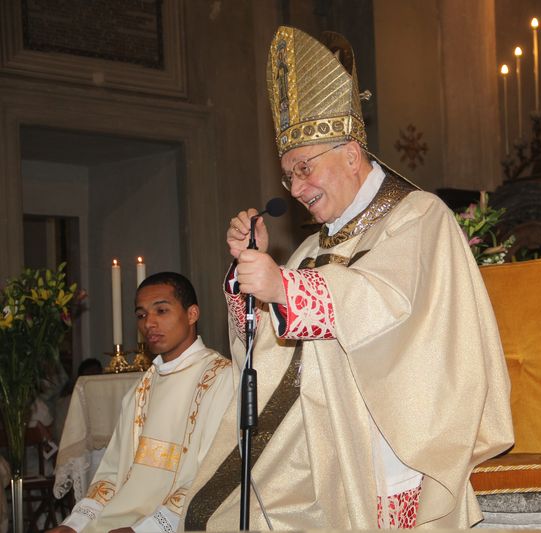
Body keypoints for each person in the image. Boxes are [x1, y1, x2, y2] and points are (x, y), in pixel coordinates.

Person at [182, 26, 513, 530]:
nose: (296, 188)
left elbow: (387, 302)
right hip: (328, 432)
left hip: (398, 430)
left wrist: (282, 287)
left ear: (352, 155)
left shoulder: (420, 216)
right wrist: (250, 274)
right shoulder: (316, 247)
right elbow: (266, 345)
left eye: (304, 168)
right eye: (288, 174)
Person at [48, 272, 234, 533]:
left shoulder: (221, 378)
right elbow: (112, 473)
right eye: (141, 315)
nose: (149, 323)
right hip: (118, 522)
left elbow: (213, 474)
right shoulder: (143, 387)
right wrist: (74, 524)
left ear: (192, 314)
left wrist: (145, 529)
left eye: (161, 310)